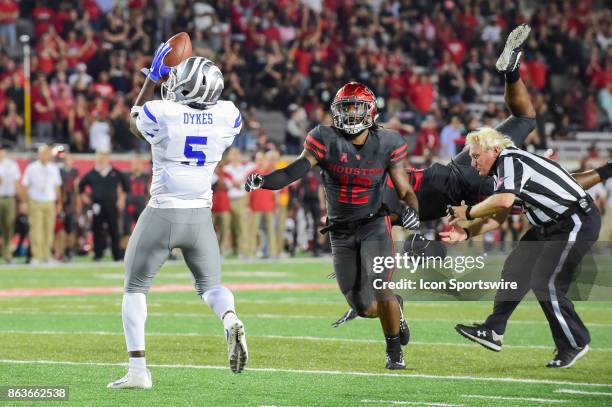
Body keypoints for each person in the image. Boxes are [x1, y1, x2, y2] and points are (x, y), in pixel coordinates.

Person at [245, 81, 420, 370]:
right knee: (362, 307)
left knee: (381, 285)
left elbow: (404, 189)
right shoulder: (324, 138)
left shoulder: (387, 142)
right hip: (340, 230)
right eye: (345, 108)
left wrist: (412, 209)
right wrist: (265, 180)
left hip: (374, 223)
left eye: (355, 108)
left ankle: (394, 352)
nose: (350, 114)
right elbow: (294, 170)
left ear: (370, 111)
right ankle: (396, 308)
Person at [107, 45, 247, 389]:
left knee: (135, 289)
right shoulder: (228, 115)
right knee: (211, 286)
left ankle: (138, 371)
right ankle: (230, 318)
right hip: (200, 215)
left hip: (163, 212)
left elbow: (133, 123)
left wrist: (152, 80)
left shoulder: (161, 112)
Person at [443, 126, 601, 369]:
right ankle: (494, 330)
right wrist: (467, 232)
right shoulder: (503, 165)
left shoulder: (509, 159)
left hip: (573, 219)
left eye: (476, 156)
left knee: (546, 282)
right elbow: (500, 215)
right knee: (516, 268)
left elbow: (503, 201)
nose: (473, 163)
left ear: (494, 150)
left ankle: (574, 342)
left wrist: (469, 212)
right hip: (549, 225)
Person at [79, 151, 129, 261]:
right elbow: (81, 186)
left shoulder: (115, 172)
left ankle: (116, 255)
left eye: (103, 158)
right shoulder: (92, 173)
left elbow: (125, 186)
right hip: (97, 206)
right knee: (97, 230)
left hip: (112, 205)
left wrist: (121, 199)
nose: (101, 160)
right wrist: (85, 198)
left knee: (114, 230)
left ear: (107, 159)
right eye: (99, 158)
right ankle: (98, 254)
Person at [21, 145, 62, 264]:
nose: (46, 156)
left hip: (49, 201)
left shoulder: (54, 168)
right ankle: (36, 256)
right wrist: (24, 202)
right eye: (44, 153)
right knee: (36, 230)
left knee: (49, 230)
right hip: (36, 201)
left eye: (48, 153)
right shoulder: (31, 168)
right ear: (39, 155)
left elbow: (57, 186)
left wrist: (59, 203)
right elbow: (25, 186)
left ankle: (47, 255)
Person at [0, 144, 20, 262]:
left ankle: (7, 252)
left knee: (9, 224)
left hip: (10, 198)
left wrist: (21, 201)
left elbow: (16, 182)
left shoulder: (11, 165)